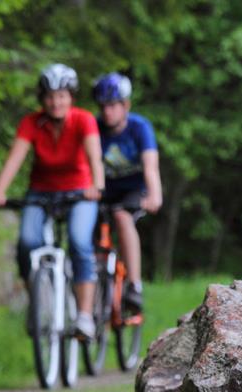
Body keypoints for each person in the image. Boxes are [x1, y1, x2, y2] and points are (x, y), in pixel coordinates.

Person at [0, 63, 106, 339]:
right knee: (27, 243)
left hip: (80, 192)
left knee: (79, 242)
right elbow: (15, 158)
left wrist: (97, 186)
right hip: (40, 192)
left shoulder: (83, 120)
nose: (56, 102)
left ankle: (85, 316)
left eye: (62, 95)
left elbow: (94, 157)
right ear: (42, 99)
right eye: (51, 96)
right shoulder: (31, 122)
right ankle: (38, 303)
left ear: (71, 97)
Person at [92, 72, 162, 313]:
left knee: (122, 218)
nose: (107, 111)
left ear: (125, 105)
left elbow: (150, 166)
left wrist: (154, 195)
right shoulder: (94, 128)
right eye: (103, 106)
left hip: (132, 191)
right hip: (101, 191)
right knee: (91, 236)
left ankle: (134, 285)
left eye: (112, 106)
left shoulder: (139, 128)